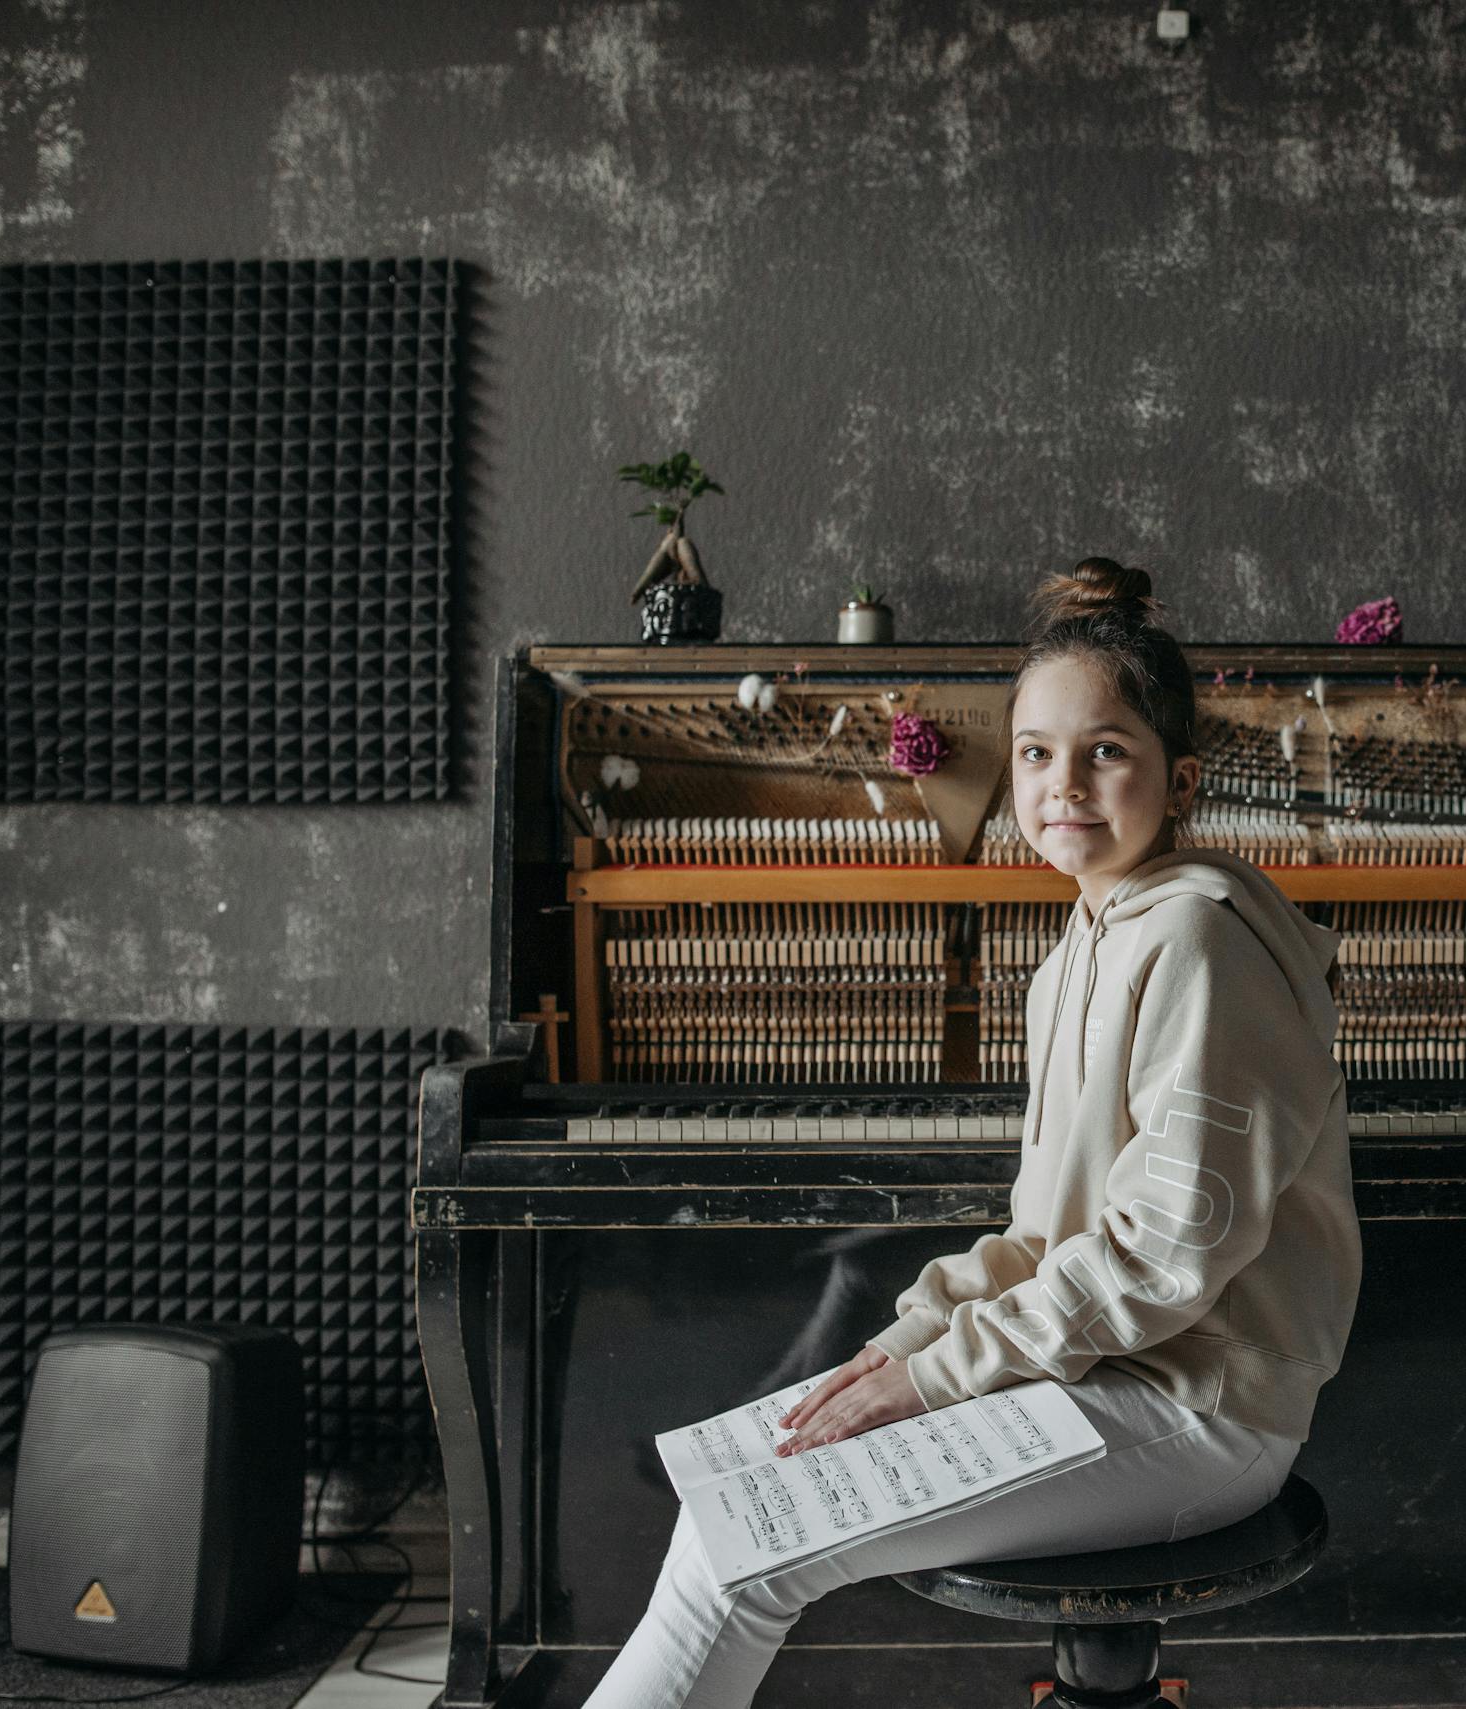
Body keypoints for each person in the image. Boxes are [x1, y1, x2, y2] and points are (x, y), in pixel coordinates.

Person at [583, 558, 1363, 1709]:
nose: (1064, 782)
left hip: (1201, 1409)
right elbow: (1039, 1236)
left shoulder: (1197, 939)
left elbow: (1164, 1253)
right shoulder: (1073, 954)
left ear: (1179, 776)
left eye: (1106, 749)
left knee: (747, 1557)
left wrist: (940, 1377)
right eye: (1038, 752)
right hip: (1103, 1371)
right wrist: (905, 1346)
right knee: (731, 1496)